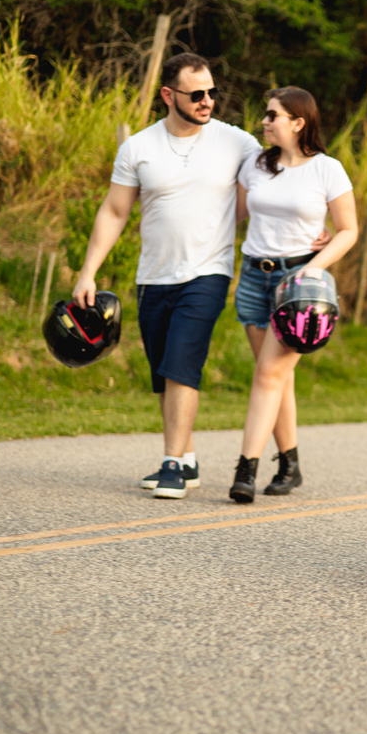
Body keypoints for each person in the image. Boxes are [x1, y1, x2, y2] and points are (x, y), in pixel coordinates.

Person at [72, 53, 264, 499]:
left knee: (182, 362)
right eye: (196, 94)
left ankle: (172, 463)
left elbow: (278, 180)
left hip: (208, 273)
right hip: (153, 276)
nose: (207, 101)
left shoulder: (236, 142)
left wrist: (316, 222)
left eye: (212, 92)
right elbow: (115, 211)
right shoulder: (138, 147)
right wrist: (88, 272)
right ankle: (188, 457)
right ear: (168, 95)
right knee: (163, 372)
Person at [228, 86, 358, 503]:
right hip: (253, 277)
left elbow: (349, 230)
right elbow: (238, 214)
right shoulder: (255, 164)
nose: (264, 121)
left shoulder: (328, 170)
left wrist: (309, 271)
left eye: (272, 115)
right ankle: (290, 463)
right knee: (277, 378)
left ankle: (245, 469)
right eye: (265, 115)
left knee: (269, 375)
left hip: (300, 287)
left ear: (298, 122)